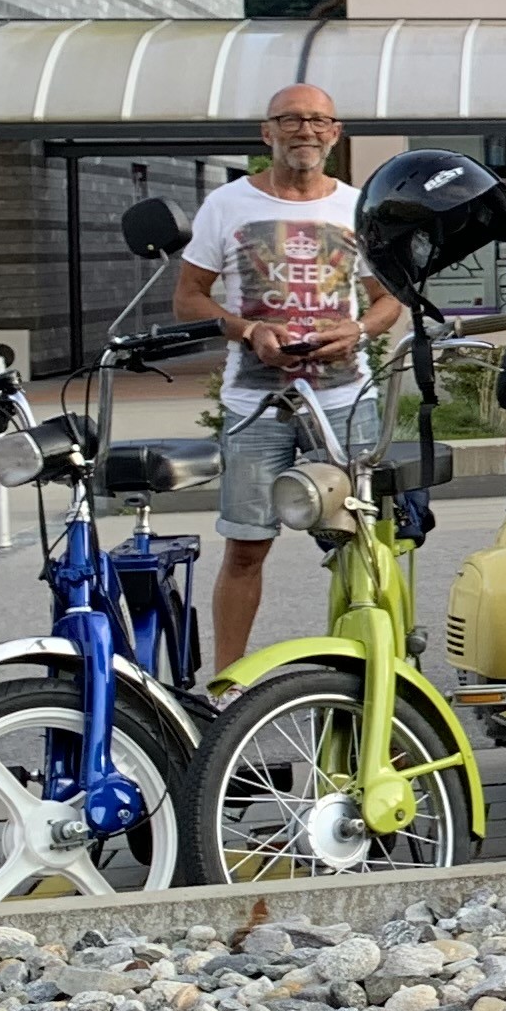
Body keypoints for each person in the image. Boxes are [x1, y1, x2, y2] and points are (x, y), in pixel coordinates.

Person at [174, 85, 402, 671]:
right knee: (246, 547)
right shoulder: (227, 204)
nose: (306, 131)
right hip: (256, 401)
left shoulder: (358, 206)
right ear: (267, 131)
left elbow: (388, 299)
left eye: (319, 121)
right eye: (292, 119)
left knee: (362, 546)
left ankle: (369, 676)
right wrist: (249, 330)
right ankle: (227, 684)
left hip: (345, 399)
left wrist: (357, 330)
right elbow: (188, 298)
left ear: (336, 133)